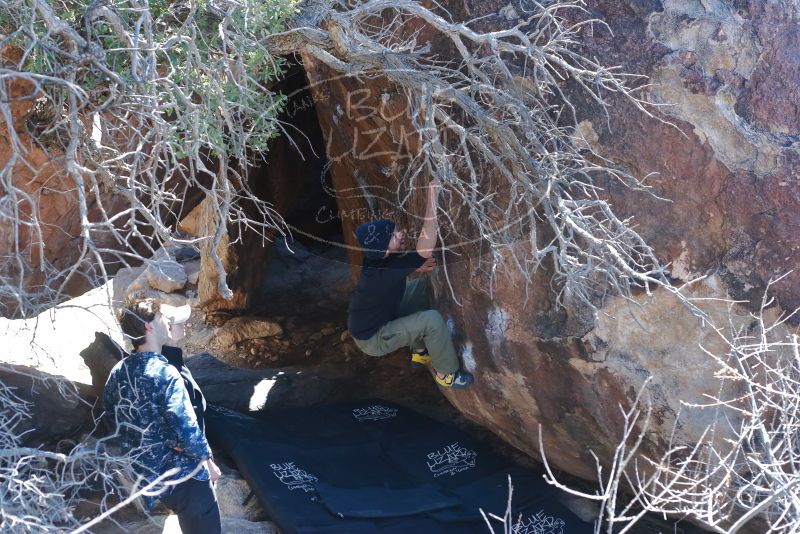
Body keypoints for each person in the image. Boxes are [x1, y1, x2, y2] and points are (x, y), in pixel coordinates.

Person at [104, 297, 222, 533]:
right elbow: (185, 425)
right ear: (149, 326)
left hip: (147, 474)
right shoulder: (165, 372)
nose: (165, 322)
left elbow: (111, 419)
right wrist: (207, 461)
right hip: (185, 476)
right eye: (160, 318)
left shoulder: (118, 371)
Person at [347, 180, 474, 389]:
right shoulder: (381, 274)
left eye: (395, 230)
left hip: (379, 319)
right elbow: (424, 251)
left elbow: (400, 267)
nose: (400, 234)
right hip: (374, 338)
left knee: (419, 287)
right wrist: (432, 197)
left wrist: (415, 268)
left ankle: (420, 351)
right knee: (431, 321)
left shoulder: (376, 259)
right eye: (394, 236)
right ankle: (447, 374)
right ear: (384, 250)